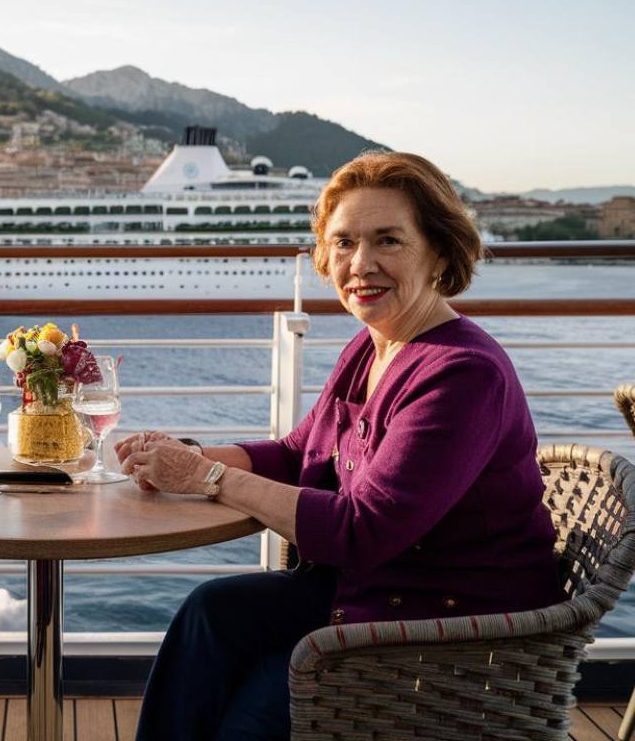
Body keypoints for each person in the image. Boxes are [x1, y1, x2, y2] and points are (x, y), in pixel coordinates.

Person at [116, 151, 564, 741]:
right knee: (211, 612)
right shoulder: (371, 345)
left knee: (251, 708)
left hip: (448, 632)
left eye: (388, 241)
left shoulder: (461, 373)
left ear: (437, 250)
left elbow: (362, 531)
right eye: (345, 242)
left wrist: (206, 480)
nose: (361, 264)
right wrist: (185, 456)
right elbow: (302, 454)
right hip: (372, 595)